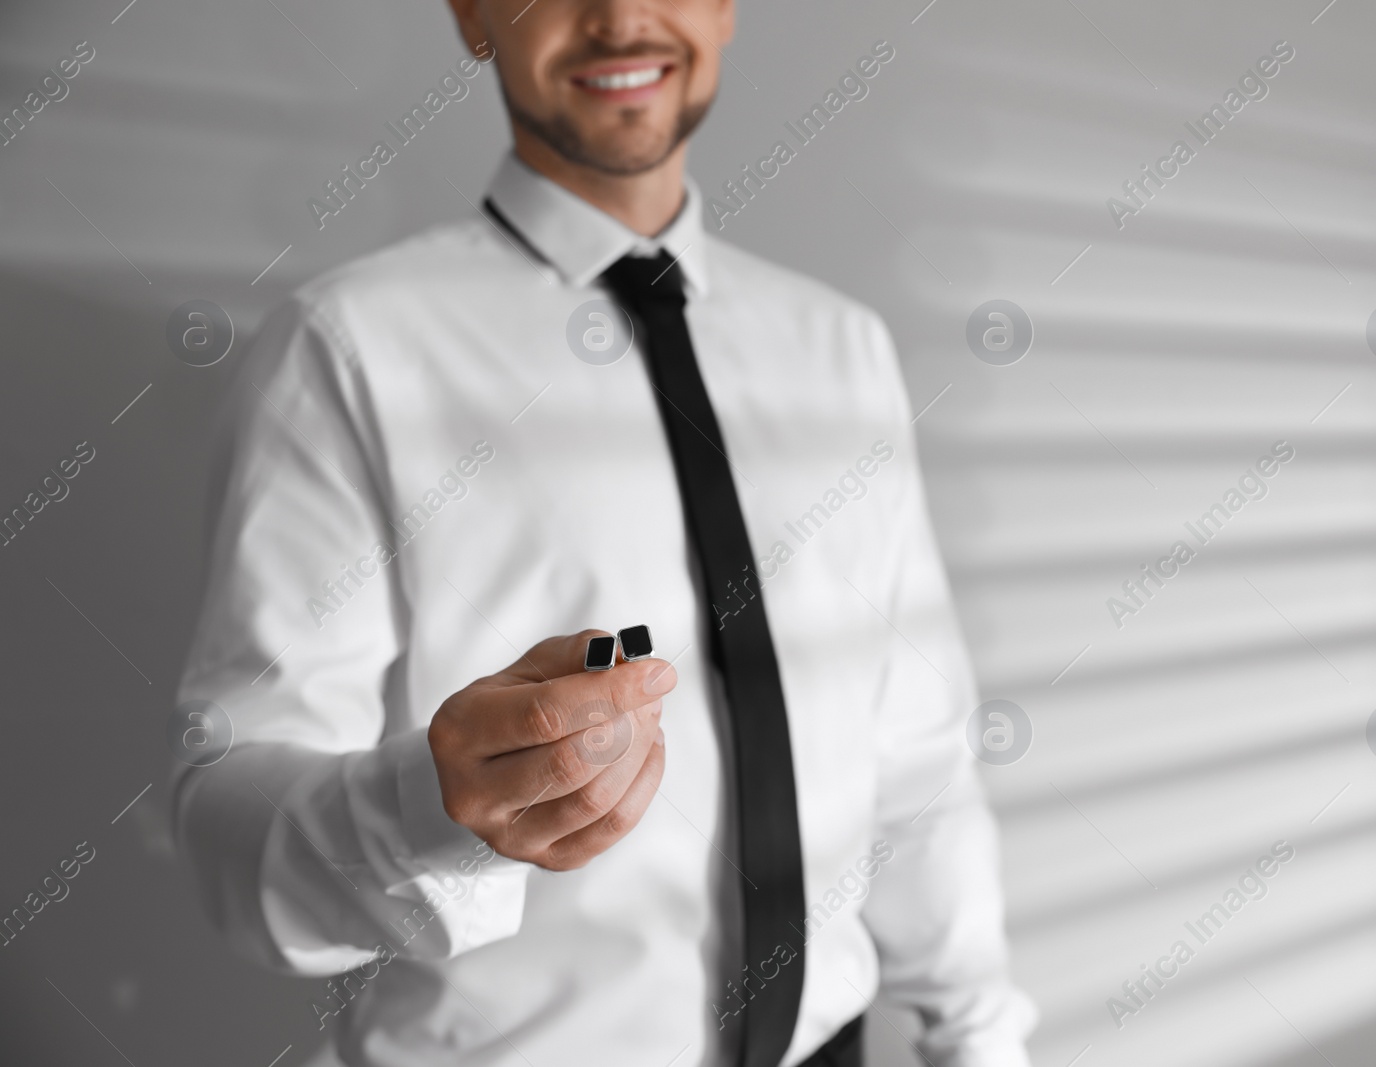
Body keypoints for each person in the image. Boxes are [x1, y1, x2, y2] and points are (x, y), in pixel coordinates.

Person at [172, 1, 1035, 1065]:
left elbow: (916, 764)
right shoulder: (346, 350)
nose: (621, 16)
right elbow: (221, 817)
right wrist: (431, 810)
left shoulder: (841, 351)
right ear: (474, 16)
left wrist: (979, 1039)